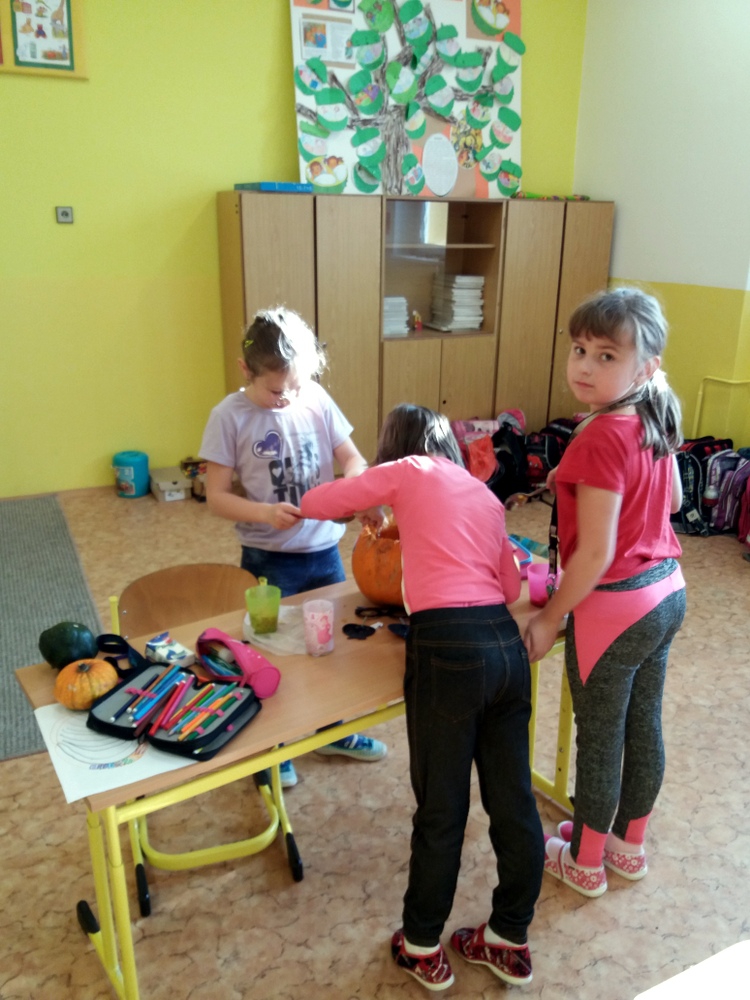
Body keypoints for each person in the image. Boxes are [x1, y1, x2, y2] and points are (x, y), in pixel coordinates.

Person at [300, 404, 544, 992]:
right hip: (505, 649)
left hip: (447, 650)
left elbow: (319, 502)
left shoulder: (409, 469)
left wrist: (358, 496)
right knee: (513, 800)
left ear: (397, 448)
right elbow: (510, 584)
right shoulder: (484, 496)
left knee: (441, 808)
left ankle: (421, 946)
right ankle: (509, 936)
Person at [523, 287, 687, 898]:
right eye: (579, 350)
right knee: (643, 724)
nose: (586, 366)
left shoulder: (597, 436)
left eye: (607, 356)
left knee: (599, 738)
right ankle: (627, 846)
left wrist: (549, 617)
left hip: (614, 609)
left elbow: (593, 555)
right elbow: (673, 502)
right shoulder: (653, 412)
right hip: (666, 593)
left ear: (645, 366)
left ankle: (586, 860)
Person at [199, 307, 387, 787]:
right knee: (271, 655)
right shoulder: (228, 416)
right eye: (276, 391)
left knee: (327, 648)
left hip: (323, 553)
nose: (288, 398)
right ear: (245, 370)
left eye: (296, 387)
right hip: (268, 560)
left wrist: (357, 491)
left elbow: (354, 459)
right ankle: (273, 749)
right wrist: (265, 513)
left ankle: (330, 731)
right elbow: (216, 496)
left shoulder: (315, 398)